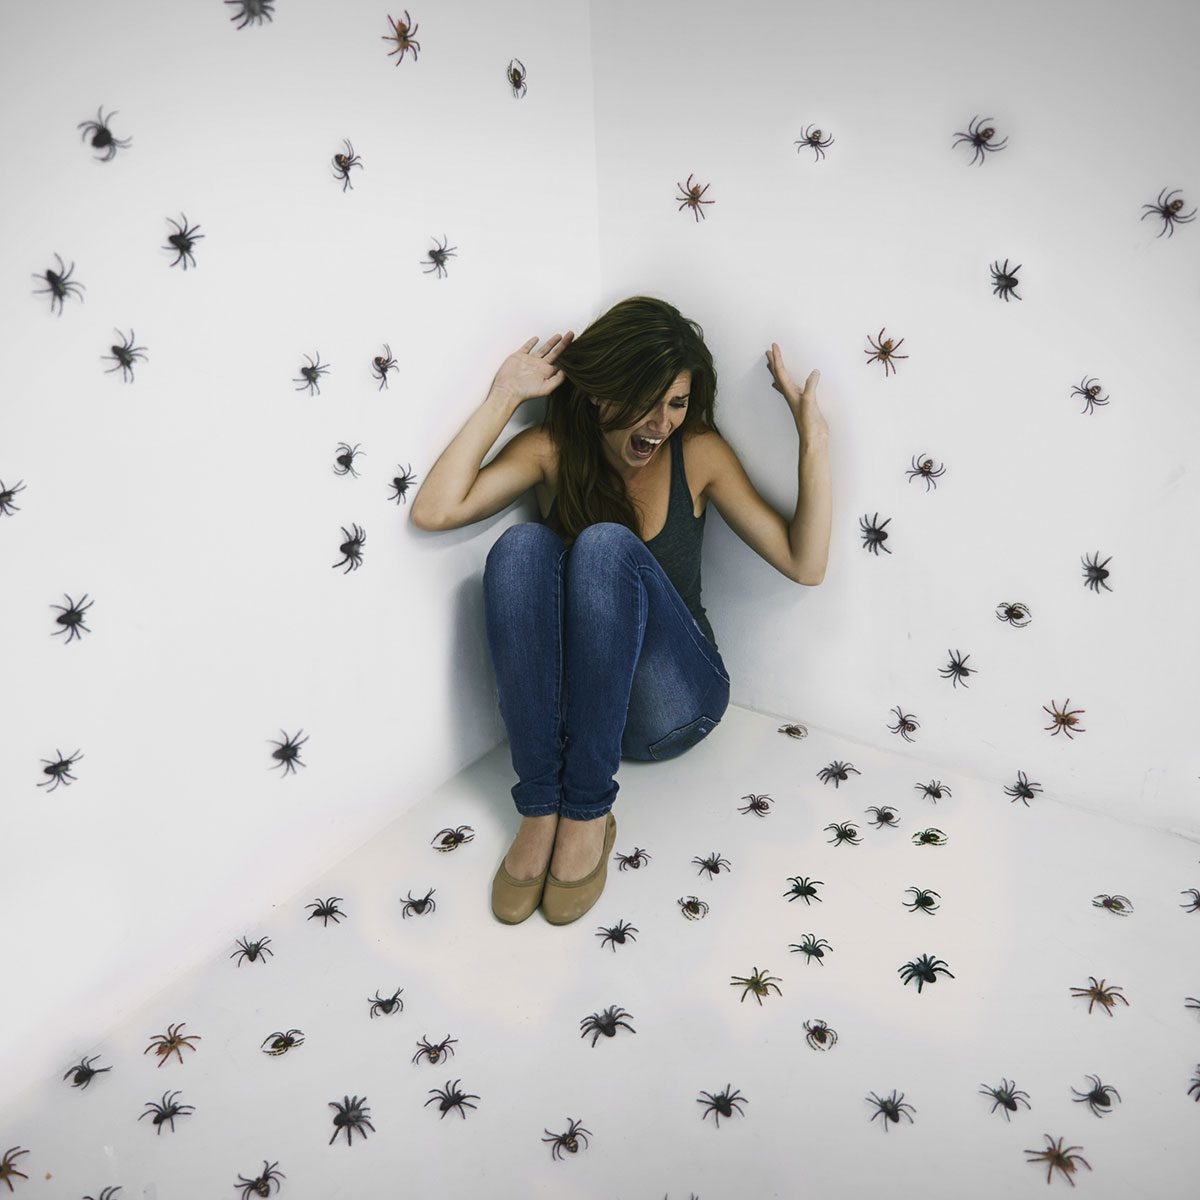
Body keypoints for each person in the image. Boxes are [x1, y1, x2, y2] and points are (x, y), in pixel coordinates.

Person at [410, 296, 830, 928]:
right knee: (521, 546)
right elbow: (435, 511)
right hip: (578, 723)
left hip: (676, 704)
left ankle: (587, 813)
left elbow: (805, 563)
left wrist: (813, 439)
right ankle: (540, 808)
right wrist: (504, 394)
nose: (661, 422)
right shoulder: (554, 449)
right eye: (645, 399)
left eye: (677, 403)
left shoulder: (700, 454)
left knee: (605, 544)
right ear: (603, 392)